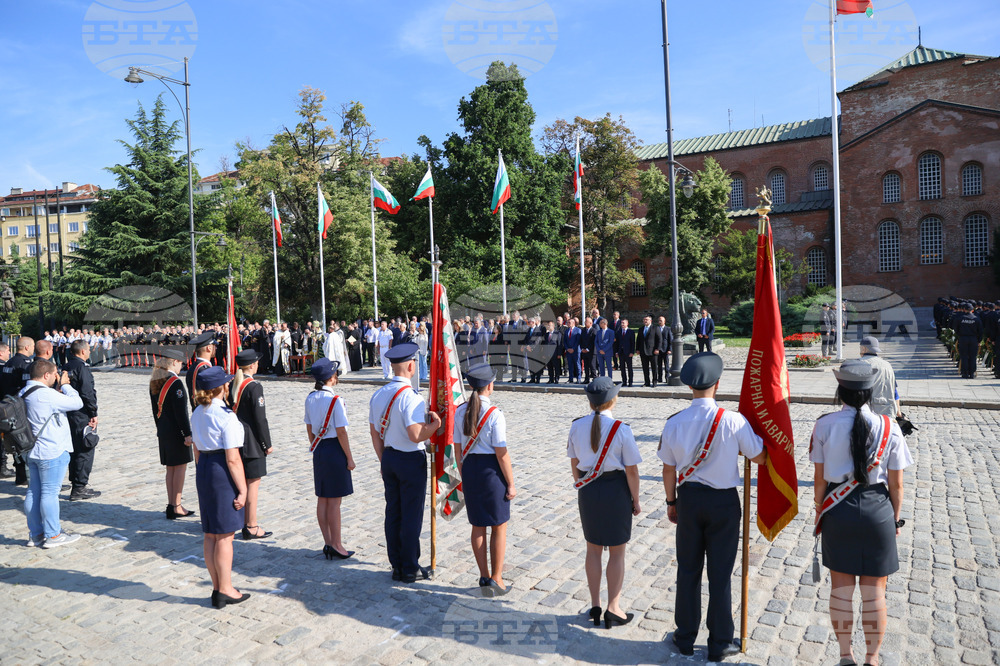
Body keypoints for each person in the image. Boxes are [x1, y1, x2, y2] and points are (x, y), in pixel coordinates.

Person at [658, 352, 767, 662]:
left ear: (690, 386)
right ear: (717, 384)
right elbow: (759, 456)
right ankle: (720, 642)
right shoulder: (733, 420)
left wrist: (671, 502)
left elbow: (668, 468)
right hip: (723, 502)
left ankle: (684, 638)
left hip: (688, 500)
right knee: (720, 574)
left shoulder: (675, 422)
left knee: (688, 570)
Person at [811, 360, 912, 666]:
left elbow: (819, 480)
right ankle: (872, 658)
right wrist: (894, 519)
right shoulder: (889, 426)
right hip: (877, 512)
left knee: (841, 592)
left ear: (840, 392)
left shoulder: (824, 425)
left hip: (838, 511)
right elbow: (897, 485)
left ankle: (845, 655)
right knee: (875, 594)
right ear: (869, 393)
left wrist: (820, 509)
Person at [568, 377, 641, 629]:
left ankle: (596, 604)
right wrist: (636, 499)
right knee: (617, 552)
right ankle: (614, 607)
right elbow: (631, 470)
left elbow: (574, 462)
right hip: (616, 490)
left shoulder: (577, 426)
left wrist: (583, 485)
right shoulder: (622, 429)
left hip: (588, 490)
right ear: (613, 400)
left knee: (593, 549)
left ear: (590, 402)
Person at [368, 343, 441, 583]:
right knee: (411, 515)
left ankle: (397, 564)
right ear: (411, 366)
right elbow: (416, 434)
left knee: (393, 512)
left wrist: (383, 460)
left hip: (389, 456)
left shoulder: (379, 394)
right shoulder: (411, 397)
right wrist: (435, 426)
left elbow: (374, 432)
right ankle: (409, 567)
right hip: (410, 459)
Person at [191, 365, 250, 610]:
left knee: (211, 533)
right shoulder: (225, 416)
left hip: (204, 465)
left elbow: (195, 447)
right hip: (220, 468)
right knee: (225, 535)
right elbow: (233, 458)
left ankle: (217, 586)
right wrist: (243, 489)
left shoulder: (197, 412)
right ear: (221, 388)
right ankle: (225, 588)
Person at [455, 365, 515, 596]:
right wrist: (510, 483)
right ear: (490, 386)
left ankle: (483, 575)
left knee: (477, 524)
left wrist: (464, 473)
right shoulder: (495, 414)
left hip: (470, 468)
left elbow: (457, 449)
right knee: (499, 525)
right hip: (491, 471)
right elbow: (502, 453)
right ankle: (496, 577)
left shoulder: (461, 411)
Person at [21, 359, 85, 549]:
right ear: (46, 375)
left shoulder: (24, 391)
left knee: (33, 491)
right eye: (55, 374)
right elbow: (77, 402)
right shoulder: (46, 395)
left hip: (31, 450)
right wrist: (66, 385)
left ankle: (36, 534)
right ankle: (53, 535)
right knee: (50, 493)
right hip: (51, 450)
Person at [306, 358, 355, 560]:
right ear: (332, 378)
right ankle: (337, 544)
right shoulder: (336, 400)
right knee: (334, 502)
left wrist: (316, 444)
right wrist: (349, 458)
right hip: (335, 449)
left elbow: (309, 427)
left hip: (319, 448)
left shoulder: (310, 398)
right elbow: (342, 432)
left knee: (323, 498)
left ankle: (328, 542)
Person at [229, 350, 274, 540]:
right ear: (253, 365)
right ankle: (251, 525)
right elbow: (260, 419)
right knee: (253, 484)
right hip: (253, 442)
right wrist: (267, 444)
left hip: (237, 439)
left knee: (242, 484)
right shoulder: (254, 386)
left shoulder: (234, 383)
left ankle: (244, 522)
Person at [150, 349, 197, 520]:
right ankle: (176, 505)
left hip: (163, 430)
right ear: (175, 362)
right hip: (177, 433)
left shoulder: (156, 380)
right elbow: (181, 413)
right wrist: (187, 434)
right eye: (181, 363)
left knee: (171, 469)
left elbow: (155, 410)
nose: (182, 366)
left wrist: (161, 428)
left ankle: (171, 504)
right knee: (180, 469)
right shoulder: (175, 383)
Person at [64, 339, 101, 501]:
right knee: (85, 449)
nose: (90, 352)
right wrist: (93, 412)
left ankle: (75, 483)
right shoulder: (81, 367)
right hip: (82, 414)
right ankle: (79, 487)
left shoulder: (66, 366)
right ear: (83, 352)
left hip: (68, 413)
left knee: (74, 449)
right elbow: (87, 392)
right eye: (88, 350)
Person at [1, 336, 34, 485]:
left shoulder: (9, 362)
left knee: (15, 440)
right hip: (18, 406)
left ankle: (21, 475)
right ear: (27, 347)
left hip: (7, 405)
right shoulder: (24, 364)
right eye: (32, 346)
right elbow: (26, 388)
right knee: (24, 440)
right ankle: (26, 476)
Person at [858, 336, 901, 418]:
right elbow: (894, 391)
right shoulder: (887, 365)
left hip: (867, 413)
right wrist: (898, 410)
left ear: (864, 349)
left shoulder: (859, 364)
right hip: (887, 413)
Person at [186, 332, 216, 410]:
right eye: (214, 346)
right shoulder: (205, 370)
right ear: (209, 348)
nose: (215, 348)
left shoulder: (193, 367)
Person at [954, 303, 983, 379]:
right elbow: (980, 331)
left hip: (963, 339)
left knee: (964, 356)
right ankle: (972, 373)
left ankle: (965, 373)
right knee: (973, 356)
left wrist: (960, 336)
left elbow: (956, 329)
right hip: (973, 339)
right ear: (972, 310)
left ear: (964, 309)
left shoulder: (960, 318)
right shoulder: (976, 319)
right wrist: (979, 341)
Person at [637, 315, 661, 388]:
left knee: (654, 367)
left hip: (652, 351)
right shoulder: (641, 329)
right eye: (644, 320)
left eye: (646, 320)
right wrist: (637, 349)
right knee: (645, 368)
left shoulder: (655, 328)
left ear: (650, 321)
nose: (645, 321)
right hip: (643, 351)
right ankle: (647, 382)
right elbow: (638, 340)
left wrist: (657, 349)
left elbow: (659, 339)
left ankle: (654, 381)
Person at [616, 319, 636, 387]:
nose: (622, 324)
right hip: (621, 353)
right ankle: (624, 381)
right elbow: (617, 343)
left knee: (629, 368)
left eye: (623, 323)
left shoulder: (631, 332)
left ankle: (630, 381)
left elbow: (633, 343)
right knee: (622, 368)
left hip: (628, 353)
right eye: (621, 323)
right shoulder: (619, 332)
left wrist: (632, 352)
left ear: (627, 324)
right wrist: (617, 352)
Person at [656, 316, 673, 385]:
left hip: (665, 349)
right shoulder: (656, 329)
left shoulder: (668, 329)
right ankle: (659, 378)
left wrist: (670, 349)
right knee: (659, 365)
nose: (660, 322)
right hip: (658, 350)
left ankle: (667, 377)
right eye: (659, 320)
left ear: (664, 321)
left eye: (661, 320)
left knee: (666, 364)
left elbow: (670, 340)